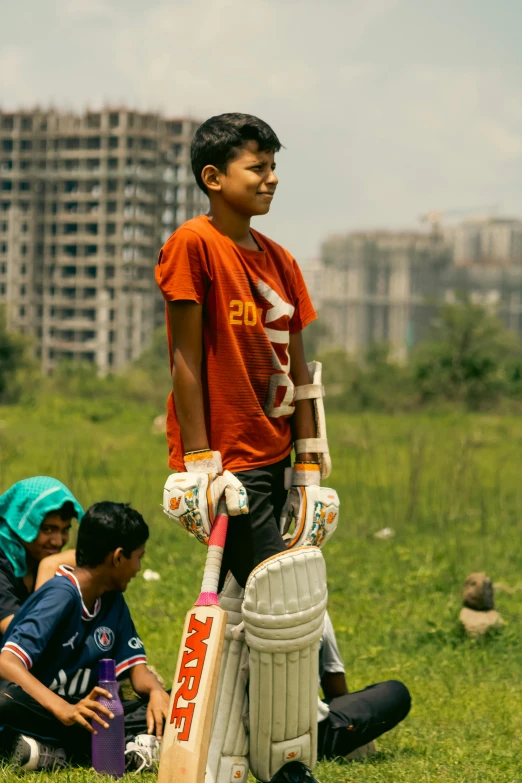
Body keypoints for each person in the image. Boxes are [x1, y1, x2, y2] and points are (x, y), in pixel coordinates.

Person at [157, 113, 339, 783]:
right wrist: (202, 463)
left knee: (262, 603)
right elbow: (183, 356)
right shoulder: (194, 245)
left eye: (272, 166)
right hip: (228, 462)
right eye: (256, 167)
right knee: (275, 605)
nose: (271, 177)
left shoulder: (282, 260)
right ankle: (285, 762)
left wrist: (311, 466)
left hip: (278, 459)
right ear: (214, 178)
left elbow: (303, 369)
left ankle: (250, 744)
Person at [0, 501, 170, 773]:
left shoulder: (113, 601)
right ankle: (112, 746)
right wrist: (62, 709)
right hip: (43, 708)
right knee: (4, 701)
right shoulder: (61, 595)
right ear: (117, 557)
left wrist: (157, 692)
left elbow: (137, 672)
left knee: (175, 706)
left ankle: (48, 752)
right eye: (138, 557)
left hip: (86, 715)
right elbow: (7, 663)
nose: (138, 568)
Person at [316, 612, 411, 763]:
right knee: (396, 692)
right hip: (313, 738)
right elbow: (335, 688)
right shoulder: (314, 610)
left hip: (263, 740)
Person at [0, 476, 83, 638]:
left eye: (65, 530)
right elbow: (23, 637)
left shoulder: (37, 555)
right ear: (22, 523)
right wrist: (49, 566)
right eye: (47, 529)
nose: (58, 541)